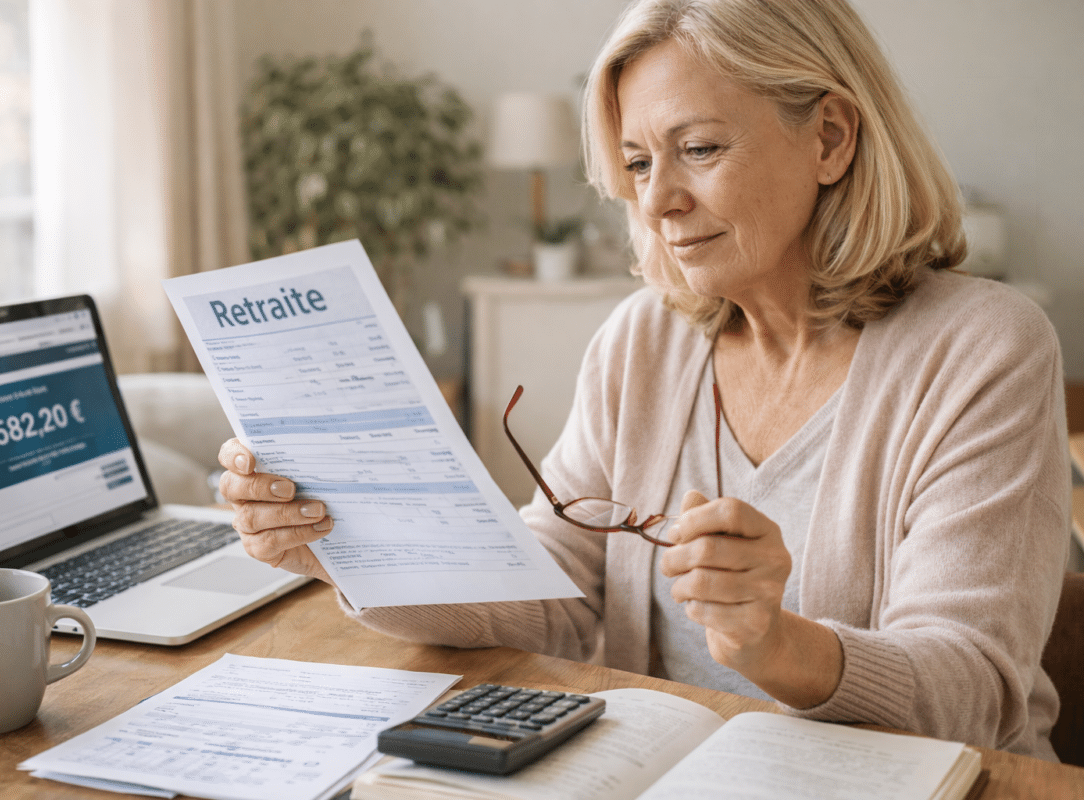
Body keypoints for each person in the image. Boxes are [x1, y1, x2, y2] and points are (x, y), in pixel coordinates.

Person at [218, 0, 1071, 760]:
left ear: (831, 138)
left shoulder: (984, 347)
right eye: (635, 164)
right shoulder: (643, 340)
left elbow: (975, 690)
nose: (658, 200)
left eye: (698, 149)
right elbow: (553, 585)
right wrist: (351, 549)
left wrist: (777, 645)